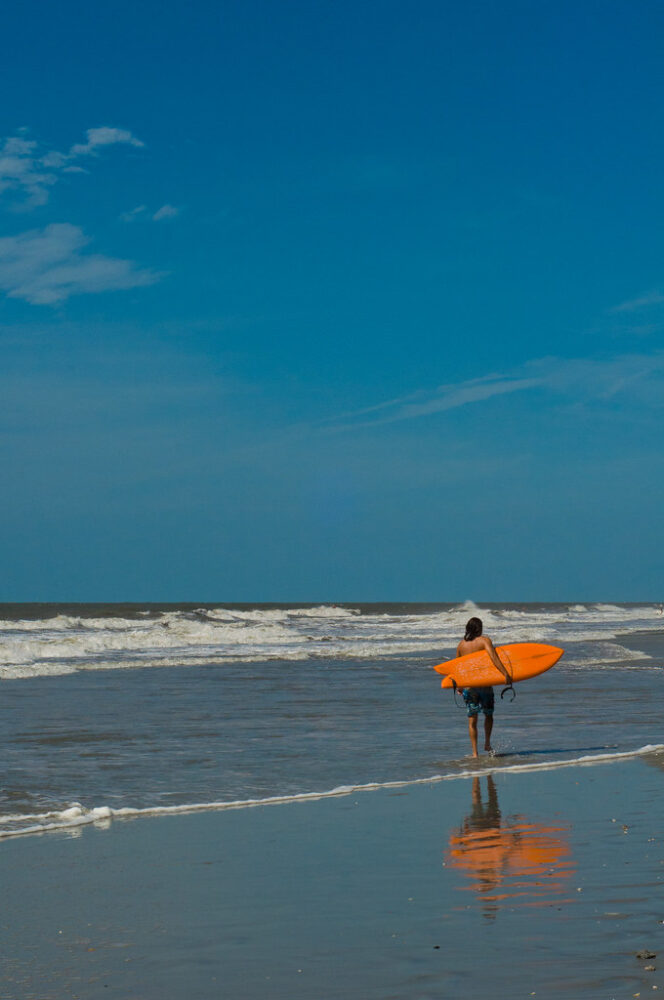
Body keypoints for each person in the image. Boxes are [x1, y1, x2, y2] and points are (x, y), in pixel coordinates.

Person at [456, 616, 512, 758]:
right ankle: (487, 743)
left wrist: (459, 685)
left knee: (472, 719)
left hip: (469, 686)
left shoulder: (461, 645)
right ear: (479, 628)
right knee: (488, 714)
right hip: (484, 684)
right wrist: (505, 673)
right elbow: (494, 658)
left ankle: (475, 753)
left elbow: (458, 667)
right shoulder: (484, 640)